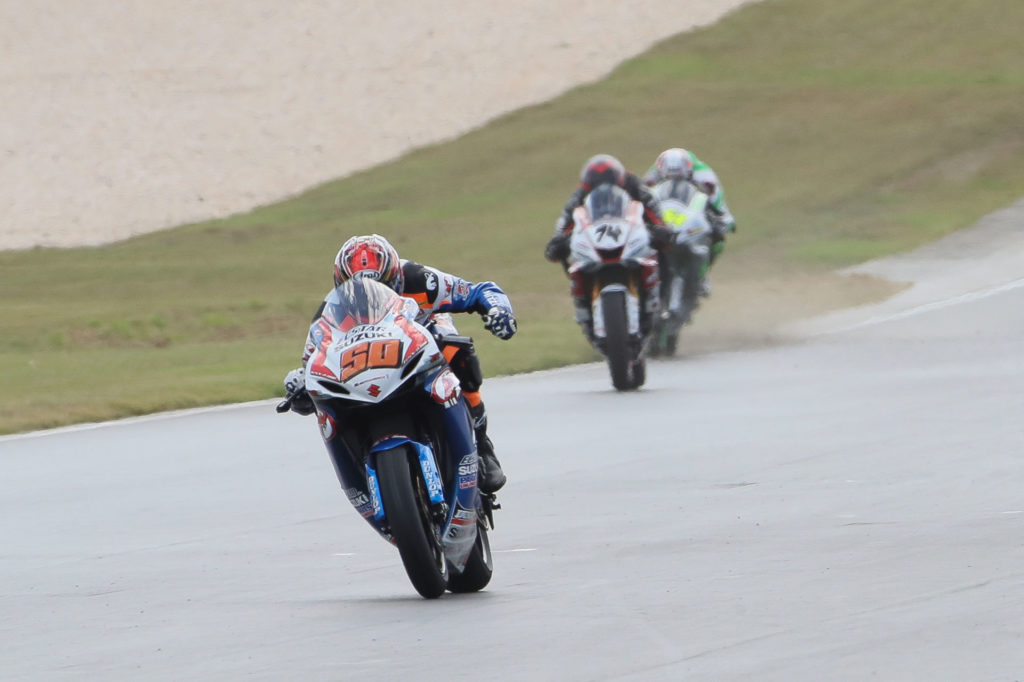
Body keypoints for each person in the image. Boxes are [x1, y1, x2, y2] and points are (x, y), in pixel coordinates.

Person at [283, 234, 516, 493]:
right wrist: (302, 383)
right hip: (369, 373)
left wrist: (498, 310)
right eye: (356, 288)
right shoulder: (332, 308)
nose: (368, 295)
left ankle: (482, 444)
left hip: (422, 346)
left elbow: (479, 291)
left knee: (454, 345)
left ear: (395, 277)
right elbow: (313, 357)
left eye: (380, 285)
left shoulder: (420, 279)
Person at [543, 154, 671, 338]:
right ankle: (582, 303)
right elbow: (566, 221)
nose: (603, 186)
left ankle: (662, 298)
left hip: (632, 235)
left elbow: (654, 210)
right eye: (596, 183)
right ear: (588, 183)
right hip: (597, 239)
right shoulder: (581, 194)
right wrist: (559, 240)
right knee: (566, 253)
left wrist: (661, 229)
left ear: (619, 179)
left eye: (608, 181)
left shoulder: (635, 186)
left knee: (662, 249)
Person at [643, 148, 736, 295]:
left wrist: (725, 219)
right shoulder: (653, 173)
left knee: (718, 238)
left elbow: (719, 203)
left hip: (692, 213)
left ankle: (703, 274)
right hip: (665, 213)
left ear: (689, 172)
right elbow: (641, 195)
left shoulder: (705, 176)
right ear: (662, 172)